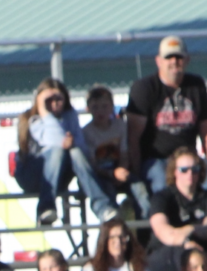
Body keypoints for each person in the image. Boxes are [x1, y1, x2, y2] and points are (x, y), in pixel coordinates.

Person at [15, 78, 118, 226]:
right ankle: (45, 208)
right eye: (48, 100)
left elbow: (82, 147)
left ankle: (102, 207)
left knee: (75, 152)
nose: (54, 103)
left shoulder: (70, 116)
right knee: (57, 151)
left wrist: (72, 143)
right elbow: (55, 142)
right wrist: (44, 112)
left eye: (59, 99)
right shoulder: (34, 120)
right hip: (33, 175)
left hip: (60, 175)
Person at [127, 36, 207, 198]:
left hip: (188, 159)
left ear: (187, 60)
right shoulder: (144, 88)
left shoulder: (196, 85)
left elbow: (205, 131)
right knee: (162, 187)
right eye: (169, 57)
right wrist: (136, 173)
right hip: (155, 159)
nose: (174, 61)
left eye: (179, 57)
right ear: (158, 61)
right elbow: (133, 138)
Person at [83, 85, 149, 218]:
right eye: (95, 107)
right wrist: (111, 174)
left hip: (120, 170)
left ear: (112, 107)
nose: (100, 111)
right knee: (108, 192)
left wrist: (122, 169)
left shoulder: (120, 126)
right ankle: (114, 222)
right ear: (88, 109)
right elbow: (92, 163)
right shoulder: (86, 132)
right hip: (102, 175)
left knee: (140, 189)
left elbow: (125, 152)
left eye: (104, 106)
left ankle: (146, 221)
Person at [146, 147, 207, 271]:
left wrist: (189, 229)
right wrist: (186, 240)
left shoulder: (204, 197)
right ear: (174, 172)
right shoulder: (162, 198)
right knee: (186, 254)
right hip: (167, 255)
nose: (190, 174)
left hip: (201, 253)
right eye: (184, 170)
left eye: (195, 169)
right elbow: (163, 231)